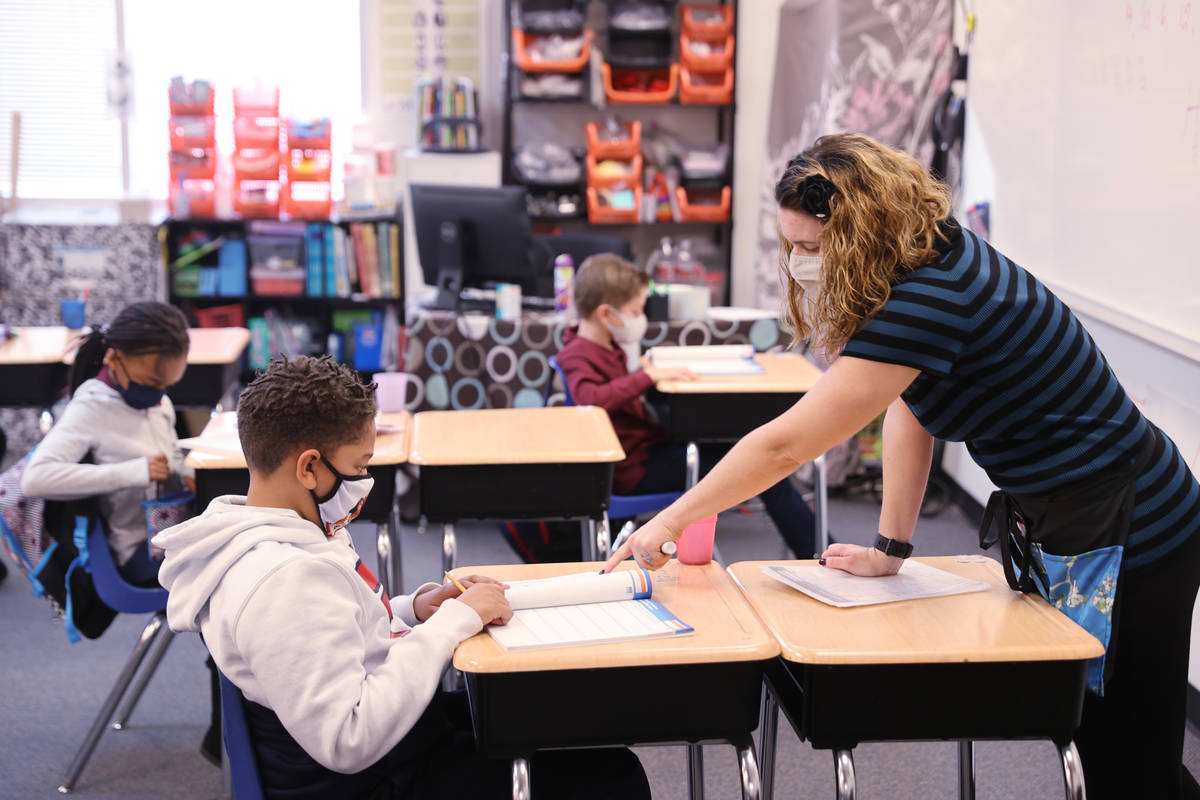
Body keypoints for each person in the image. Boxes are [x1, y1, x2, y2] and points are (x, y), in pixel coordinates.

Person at [605, 132, 1200, 799]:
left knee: (1128, 755)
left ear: (858, 229)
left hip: (1140, 524)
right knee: (1102, 741)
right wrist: (890, 548)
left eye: (810, 247)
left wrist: (669, 521)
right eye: (791, 246)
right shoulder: (922, 261)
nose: (800, 263)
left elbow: (785, 446)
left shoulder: (931, 296)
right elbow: (909, 407)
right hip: (1076, 515)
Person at [154, 355, 651, 799]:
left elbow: (333, 638)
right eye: (359, 466)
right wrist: (451, 623)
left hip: (393, 746)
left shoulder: (283, 534)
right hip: (374, 778)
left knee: (549, 722)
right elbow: (347, 740)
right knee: (612, 776)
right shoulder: (285, 578)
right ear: (309, 467)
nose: (364, 484)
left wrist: (414, 609)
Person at [556, 254, 819, 558]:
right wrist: (646, 377)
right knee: (759, 466)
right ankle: (815, 554)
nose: (640, 317)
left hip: (647, 455)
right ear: (606, 314)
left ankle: (814, 551)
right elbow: (591, 399)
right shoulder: (577, 354)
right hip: (634, 471)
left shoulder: (604, 347)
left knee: (753, 458)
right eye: (635, 310)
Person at [22, 300, 194, 585]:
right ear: (113, 359)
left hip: (172, 529)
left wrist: (187, 474)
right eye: (152, 382)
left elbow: (171, 453)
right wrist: (135, 471)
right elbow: (35, 479)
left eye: (167, 385)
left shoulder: (156, 398)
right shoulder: (92, 406)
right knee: (229, 570)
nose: (160, 394)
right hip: (139, 550)